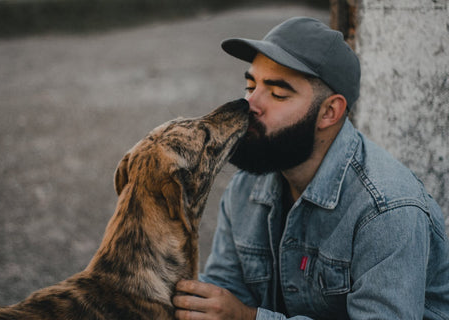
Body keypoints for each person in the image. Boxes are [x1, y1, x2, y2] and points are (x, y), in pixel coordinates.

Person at [172, 17, 449, 319]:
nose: (250, 103)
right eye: (250, 85)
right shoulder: (246, 187)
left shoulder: (387, 210)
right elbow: (223, 292)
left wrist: (248, 317)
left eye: (278, 94)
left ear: (329, 112)